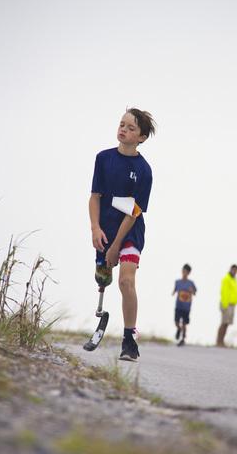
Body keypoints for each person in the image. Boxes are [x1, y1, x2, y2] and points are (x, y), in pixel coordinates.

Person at [89, 108, 156, 362]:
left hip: (130, 233)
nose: (123, 130)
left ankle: (129, 340)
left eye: (130, 128)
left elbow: (134, 211)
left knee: (126, 282)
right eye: (121, 124)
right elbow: (95, 197)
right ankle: (101, 302)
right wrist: (95, 228)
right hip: (104, 230)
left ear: (141, 137)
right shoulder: (103, 158)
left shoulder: (144, 170)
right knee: (103, 278)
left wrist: (116, 245)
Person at [172, 264, 197, 346]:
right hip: (178, 306)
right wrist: (173, 292)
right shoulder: (177, 282)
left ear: (189, 273)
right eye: (183, 271)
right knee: (176, 322)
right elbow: (174, 290)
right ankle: (179, 329)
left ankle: (183, 338)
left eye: (186, 272)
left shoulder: (191, 283)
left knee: (184, 323)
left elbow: (194, 292)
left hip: (186, 307)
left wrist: (192, 291)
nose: (184, 273)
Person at [216, 265, 237, 347]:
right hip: (226, 304)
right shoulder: (226, 279)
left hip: (232, 304)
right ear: (231, 269)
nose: (235, 272)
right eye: (234, 270)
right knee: (223, 323)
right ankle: (219, 341)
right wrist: (225, 305)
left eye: (236, 270)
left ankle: (222, 341)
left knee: (227, 324)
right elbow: (224, 292)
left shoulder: (234, 280)